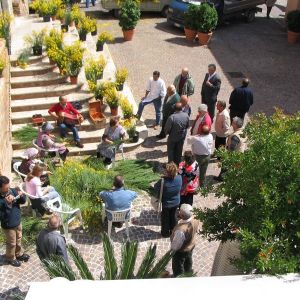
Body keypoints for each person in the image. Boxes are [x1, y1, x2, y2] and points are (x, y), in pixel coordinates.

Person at [0, 176, 30, 267]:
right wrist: (6, 203)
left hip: (17, 220)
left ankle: (18, 254)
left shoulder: (12, 190)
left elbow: (22, 201)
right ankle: (10, 258)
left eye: (9, 186)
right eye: (6, 187)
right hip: (8, 225)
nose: (8, 189)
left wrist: (21, 195)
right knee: (11, 243)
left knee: (19, 239)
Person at [170, 204, 199, 277]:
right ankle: (188, 273)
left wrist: (173, 251)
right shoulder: (195, 217)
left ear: (182, 215)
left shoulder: (181, 230)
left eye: (179, 212)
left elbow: (176, 245)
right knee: (188, 261)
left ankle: (179, 279)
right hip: (191, 245)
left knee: (178, 267)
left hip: (181, 251)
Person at [154, 162, 182, 237]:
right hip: (176, 202)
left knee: (165, 219)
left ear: (167, 172)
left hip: (166, 204)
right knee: (174, 217)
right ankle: (174, 231)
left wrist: (163, 178)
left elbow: (155, 187)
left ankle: (165, 233)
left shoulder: (163, 181)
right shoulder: (179, 178)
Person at [214, 117, 246, 181]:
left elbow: (232, 148)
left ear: (235, 124)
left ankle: (222, 178)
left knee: (226, 166)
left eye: (233, 122)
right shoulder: (242, 132)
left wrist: (226, 156)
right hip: (240, 154)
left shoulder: (235, 136)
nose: (231, 123)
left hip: (234, 155)